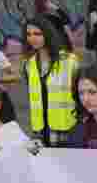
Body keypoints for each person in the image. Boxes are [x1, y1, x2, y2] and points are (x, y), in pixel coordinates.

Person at [23, 16, 78, 147]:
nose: (32, 38)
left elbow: (79, 93)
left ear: (47, 34)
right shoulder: (29, 64)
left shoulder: (69, 61)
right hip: (41, 128)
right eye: (28, 34)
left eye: (37, 34)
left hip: (67, 125)